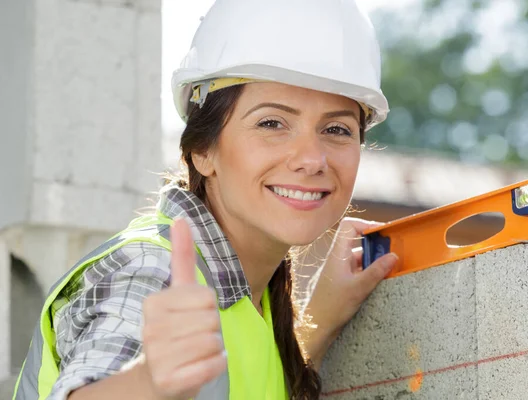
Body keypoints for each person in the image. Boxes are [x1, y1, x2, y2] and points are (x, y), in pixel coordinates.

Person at [13, 0, 398, 399]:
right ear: (202, 150)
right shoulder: (151, 270)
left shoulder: (255, 299)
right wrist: (148, 382)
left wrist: (320, 322)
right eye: (272, 123)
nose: (311, 159)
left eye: (336, 129)